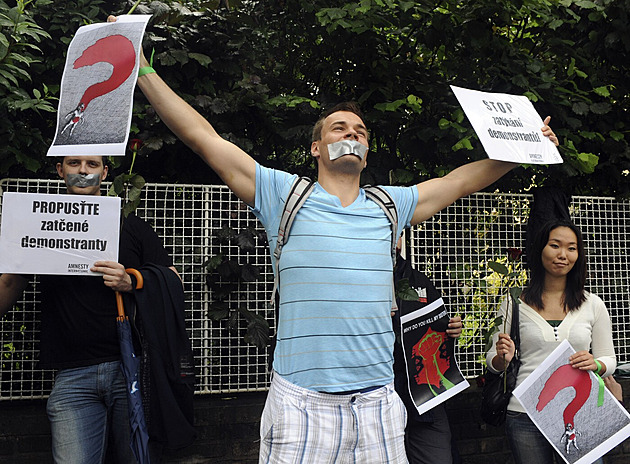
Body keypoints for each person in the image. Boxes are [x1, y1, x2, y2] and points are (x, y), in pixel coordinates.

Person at [119, 14, 559, 462]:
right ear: (316, 148)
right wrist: (143, 69)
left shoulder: (391, 204)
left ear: (367, 153)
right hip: (300, 404)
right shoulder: (283, 193)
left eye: (361, 132)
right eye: (339, 129)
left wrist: (527, 150)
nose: (352, 135)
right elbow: (201, 137)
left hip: (379, 407)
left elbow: (460, 182)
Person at [0, 155, 178, 463]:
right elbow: (10, 283)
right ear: (60, 170)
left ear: (105, 172)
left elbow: (173, 281)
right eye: (74, 163)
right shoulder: (39, 225)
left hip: (132, 368)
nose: (83, 171)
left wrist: (131, 279)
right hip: (72, 375)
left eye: (92, 165)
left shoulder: (131, 226)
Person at [487, 219, 616, 464]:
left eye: (571, 248)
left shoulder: (593, 304)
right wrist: (502, 358)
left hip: (579, 412)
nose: (563, 255)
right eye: (555, 245)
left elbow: (609, 360)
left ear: (578, 254)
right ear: (540, 250)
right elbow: (493, 363)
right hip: (525, 413)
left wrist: (596, 364)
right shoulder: (514, 302)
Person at [392, 244, 463, 464]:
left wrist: (452, 331)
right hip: (377, 399)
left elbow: (439, 332)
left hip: (426, 399)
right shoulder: (355, 280)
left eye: (399, 231)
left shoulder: (419, 282)